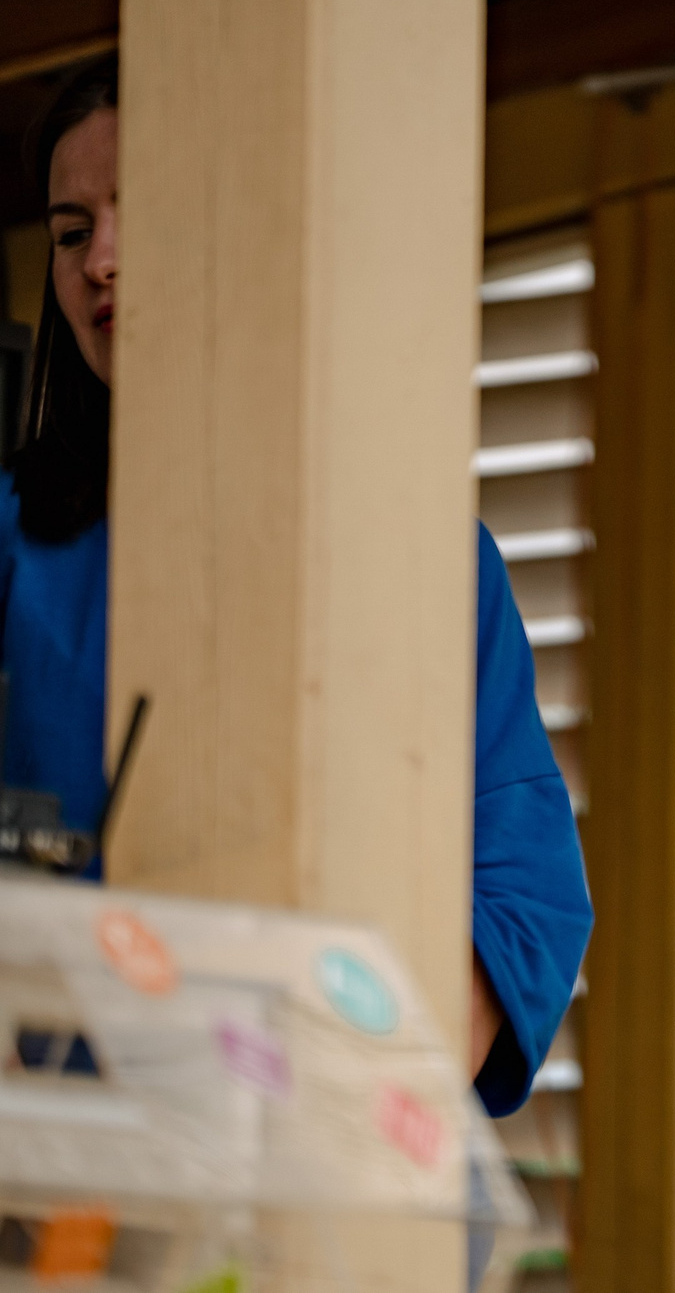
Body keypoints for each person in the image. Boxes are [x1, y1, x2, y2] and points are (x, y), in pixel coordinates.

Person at [2, 58, 592, 1116]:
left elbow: (524, 903)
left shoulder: (434, 563)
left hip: (326, 1163)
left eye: (146, 210)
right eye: (72, 231)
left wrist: (330, 1125)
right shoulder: (11, 539)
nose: (103, 261)